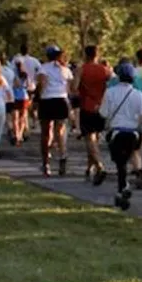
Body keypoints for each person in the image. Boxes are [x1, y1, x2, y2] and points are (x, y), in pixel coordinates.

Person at [99, 62, 142, 210]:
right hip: (133, 133)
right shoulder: (137, 94)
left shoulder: (110, 92)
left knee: (120, 164)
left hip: (117, 132)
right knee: (127, 158)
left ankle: (123, 187)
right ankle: (123, 188)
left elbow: (103, 113)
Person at [75, 45, 113, 184]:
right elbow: (112, 83)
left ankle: (99, 166)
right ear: (98, 55)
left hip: (87, 106)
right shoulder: (105, 70)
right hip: (101, 106)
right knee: (94, 138)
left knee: (89, 138)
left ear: (85, 54)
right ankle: (89, 168)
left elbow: (74, 88)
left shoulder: (81, 69)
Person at [34, 46, 75, 177]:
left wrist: (38, 98)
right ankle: (63, 156)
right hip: (61, 100)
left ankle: (46, 163)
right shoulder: (66, 70)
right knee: (60, 131)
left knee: (46, 132)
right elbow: (69, 88)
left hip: (47, 100)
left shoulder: (43, 68)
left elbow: (42, 84)